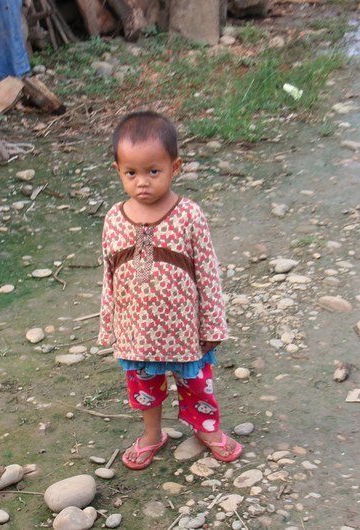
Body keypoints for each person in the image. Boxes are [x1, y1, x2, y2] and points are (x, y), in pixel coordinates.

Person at [98, 111, 242, 470]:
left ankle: (206, 429)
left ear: (175, 167)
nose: (142, 182)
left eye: (153, 171)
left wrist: (212, 326)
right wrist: (108, 326)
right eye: (131, 173)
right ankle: (152, 434)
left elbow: (208, 274)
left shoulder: (189, 215)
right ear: (118, 169)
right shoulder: (115, 218)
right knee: (144, 387)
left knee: (196, 383)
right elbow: (109, 276)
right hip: (137, 332)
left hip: (184, 331)